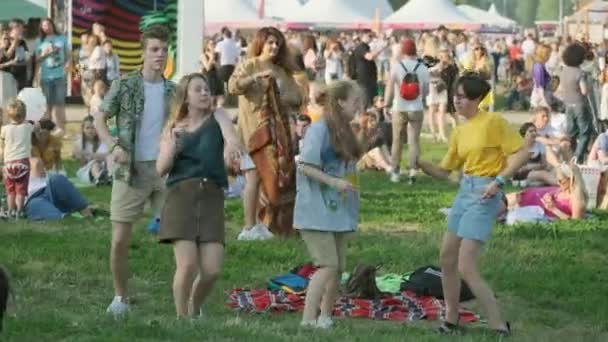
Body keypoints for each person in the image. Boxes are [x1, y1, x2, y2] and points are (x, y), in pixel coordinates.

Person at [417, 73, 531, 336]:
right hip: (464, 191)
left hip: (486, 193)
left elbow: (522, 152)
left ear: (478, 98)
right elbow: (445, 172)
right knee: (447, 258)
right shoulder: (458, 131)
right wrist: (419, 163)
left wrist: (499, 181)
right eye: (455, 96)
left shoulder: (493, 122)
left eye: (464, 97)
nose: (458, 101)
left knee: (465, 265)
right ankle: (451, 319)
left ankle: (499, 327)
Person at [95, 25, 177, 316]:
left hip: (165, 169)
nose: (160, 55)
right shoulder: (125, 84)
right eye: (154, 50)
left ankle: (186, 298)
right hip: (130, 169)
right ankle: (120, 297)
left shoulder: (173, 90)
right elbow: (100, 118)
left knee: (182, 237)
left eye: (164, 50)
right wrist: (112, 145)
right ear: (143, 52)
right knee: (119, 240)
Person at [156, 73, 234, 317]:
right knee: (188, 265)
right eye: (198, 89)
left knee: (211, 270)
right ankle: (181, 320)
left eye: (206, 89)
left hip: (212, 195)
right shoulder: (174, 128)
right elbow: (161, 169)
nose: (204, 93)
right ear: (186, 97)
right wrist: (174, 148)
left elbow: (231, 138)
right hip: (181, 195)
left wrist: (231, 146)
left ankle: (195, 307)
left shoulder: (218, 116)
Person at [295, 80, 363, 329]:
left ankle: (325, 316)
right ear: (341, 102)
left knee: (338, 267)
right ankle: (307, 320)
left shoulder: (344, 129)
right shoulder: (319, 129)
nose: (359, 107)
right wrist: (334, 182)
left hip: (338, 210)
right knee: (327, 265)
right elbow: (305, 165)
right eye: (355, 102)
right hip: (315, 210)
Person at [228, 26, 302, 240]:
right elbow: (233, 86)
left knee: (274, 179)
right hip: (253, 134)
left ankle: (268, 223)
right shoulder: (249, 65)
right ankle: (249, 227)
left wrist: (278, 98)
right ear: (260, 44)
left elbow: (296, 98)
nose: (274, 46)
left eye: (277, 43)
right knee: (253, 177)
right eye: (270, 42)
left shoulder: (282, 72)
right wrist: (256, 78)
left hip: (277, 136)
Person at [384, 38, 429, 185]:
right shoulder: (423, 68)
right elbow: (426, 91)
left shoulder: (397, 67)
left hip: (399, 107)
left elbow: (390, 88)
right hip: (416, 108)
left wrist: (386, 105)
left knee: (397, 140)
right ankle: (413, 172)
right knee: (414, 141)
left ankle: (395, 173)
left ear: (402, 51)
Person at [507, 160, 587, 220]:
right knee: (504, 200)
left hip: (532, 206)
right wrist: (550, 195)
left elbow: (576, 222)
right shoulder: (564, 188)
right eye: (557, 180)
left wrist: (553, 209)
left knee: (503, 205)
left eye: (560, 180)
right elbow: (555, 191)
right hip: (529, 196)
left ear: (571, 180)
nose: (558, 183)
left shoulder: (577, 200)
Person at [554, 43, 593, 164]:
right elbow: (584, 91)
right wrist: (590, 88)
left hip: (568, 104)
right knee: (585, 131)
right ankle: (578, 157)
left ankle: (569, 155)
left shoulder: (564, 71)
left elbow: (559, 89)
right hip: (579, 104)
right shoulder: (580, 73)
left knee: (571, 132)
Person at [25, 158, 94, 221]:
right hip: (31, 199)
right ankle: (65, 218)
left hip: (50, 190)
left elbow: (36, 164)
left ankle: (85, 211)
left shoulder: (24, 163)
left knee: (57, 179)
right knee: (36, 204)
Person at [34, 18, 70, 135]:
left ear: (52, 25)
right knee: (47, 105)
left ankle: (61, 130)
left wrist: (68, 65)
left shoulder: (62, 38)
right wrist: (46, 54)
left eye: (48, 24)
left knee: (59, 103)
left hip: (60, 76)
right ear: (41, 28)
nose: (47, 27)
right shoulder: (39, 41)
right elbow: (37, 60)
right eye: (44, 26)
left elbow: (68, 56)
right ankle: (47, 130)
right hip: (46, 77)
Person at [0, 99, 34, 218]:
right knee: (21, 189)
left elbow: (2, 145)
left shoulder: (4, 129)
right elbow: (36, 129)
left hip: (8, 163)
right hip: (22, 162)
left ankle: (10, 210)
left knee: (10, 190)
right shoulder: (28, 127)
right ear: (24, 115)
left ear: (8, 115)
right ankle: (20, 210)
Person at [72, 115, 110, 186]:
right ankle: (99, 178)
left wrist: (91, 155)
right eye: (87, 128)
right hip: (87, 170)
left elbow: (108, 155)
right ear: (83, 129)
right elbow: (81, 160)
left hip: (104, 166)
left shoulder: (102, 141)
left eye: (93, 128)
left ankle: (104, 177)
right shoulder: (80, 143)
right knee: (94, 163)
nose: (90, 130)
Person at [354, 31, 386, 107]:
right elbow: (370, 57)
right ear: (363, 36)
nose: (371, 37)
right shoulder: (361, 46)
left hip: (370, 78)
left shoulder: (366, 46)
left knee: (372, 98)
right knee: (366, 101)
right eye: (369, 36)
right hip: (365, 79)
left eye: (371, 36)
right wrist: (381, 48)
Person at [200, 39, 224, 107]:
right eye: (211, 44)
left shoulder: (218, 54)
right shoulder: (203, 55)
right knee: (211, 98)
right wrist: (211, 58)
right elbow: (207, 68)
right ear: (207, 45)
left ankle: (219, 112)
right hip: (208, 77)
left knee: (220, 98)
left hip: (216, 76)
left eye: (214, 44)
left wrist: (214, 59)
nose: (213, 46)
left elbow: (219, 67)